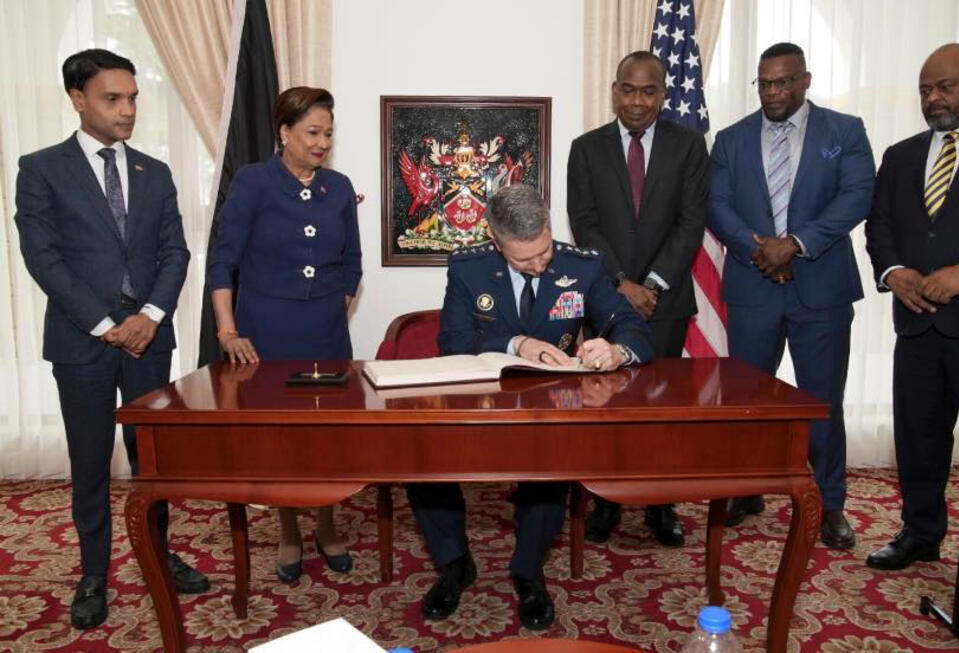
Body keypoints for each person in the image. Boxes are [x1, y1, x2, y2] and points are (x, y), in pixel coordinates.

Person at [13, 49, 206, 630]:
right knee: (91, 460)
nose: (127, 110)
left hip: (149, 338)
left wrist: (149, 315)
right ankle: (94, 572)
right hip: (82, 342)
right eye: (113, 99)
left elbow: (175, 251)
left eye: (133, 98)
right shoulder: (41, 168)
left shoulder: (155, 171)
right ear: (77, 99)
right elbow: (42, 258)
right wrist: (104, 324)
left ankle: (160, 554)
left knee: (153, 461)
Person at [410, 184, 655, 630]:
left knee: (551, 474)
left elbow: (631, 326)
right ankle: (454, 564)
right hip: (480, 406)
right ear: (495, 240)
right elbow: (453, 341)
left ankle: (527, 571)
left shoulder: (583, 266)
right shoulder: (468, 269)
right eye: (524, 260)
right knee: (421, 463)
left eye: (543, 252)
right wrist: (515, 343)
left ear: (548, 226)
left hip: (550, 408)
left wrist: (617, 351)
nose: (539, 265)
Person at [706, 42, 875, 549]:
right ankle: (747, 490)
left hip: (821, 289)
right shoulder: (731, 139)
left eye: (782, 82)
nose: (773, 92)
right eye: (764, 83)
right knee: (747, 402)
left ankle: (829, 502)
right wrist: (758, 249)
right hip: (753, 285)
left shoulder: (844, 131)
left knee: (822, 402)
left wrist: (795, 244)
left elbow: (857, 195)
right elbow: (716, 204)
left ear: (805, 80)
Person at [207, 86, 362, 582]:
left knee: (328, 438)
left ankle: (327, 525)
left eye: (328, 133)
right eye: (313, 132)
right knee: (282, 439)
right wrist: (227, 330)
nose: (322, 143)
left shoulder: (338, 187)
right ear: (284, 132)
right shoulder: (254, 181)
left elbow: (352, 262)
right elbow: (223, 261)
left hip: (326, 334)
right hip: (267, 330)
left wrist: (331, 306)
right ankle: (290, 530)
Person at [568, 49, 707, 548]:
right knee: (607, 404)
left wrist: (653, 283)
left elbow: (691, 221)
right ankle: (606, 500)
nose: (637, 101)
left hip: (667, 301)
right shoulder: (586, 149)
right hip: (606, 296)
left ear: (663, 95)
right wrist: (623, 283)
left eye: (649, 91)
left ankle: (660, 505)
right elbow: (584, 222)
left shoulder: (689, 146)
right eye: (628, 89)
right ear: (614, 91)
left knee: (661, 406)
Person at [865, 44, 959, 587]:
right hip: (915, 324)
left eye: (945, 87)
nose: (933, 98)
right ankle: (921, 532)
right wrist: (892, 272)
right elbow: (879, 225)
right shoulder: (901, 155)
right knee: (918, 437)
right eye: (925, 90)